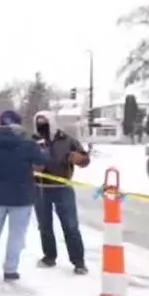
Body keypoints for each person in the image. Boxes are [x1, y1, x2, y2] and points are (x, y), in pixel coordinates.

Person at [0, 109, 50, 281]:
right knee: (16, 235)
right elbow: (42, 162)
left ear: (0, 124)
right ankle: (10, 270)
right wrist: (43, 148)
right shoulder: (28, 144)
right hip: (22, 198)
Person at [32, 110, 91, 274]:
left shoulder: (67, 140)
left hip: (63, 188)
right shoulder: (32, 141)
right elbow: (22, 161)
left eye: (44, 122)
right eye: (38, 123)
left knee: (71, 226)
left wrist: (79, 158)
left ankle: (79, 262)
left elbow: (85, 159)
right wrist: (32, 166)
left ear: (52, 123)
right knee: (44, 225)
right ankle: (49, 256)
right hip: (40, 189)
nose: (41, 126)